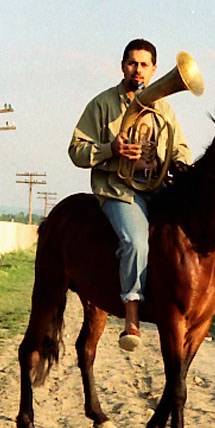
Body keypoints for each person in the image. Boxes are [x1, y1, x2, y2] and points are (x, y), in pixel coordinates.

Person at [68, 39, 192, 351]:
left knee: (188, 235)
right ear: (123, 65)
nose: (138, 70)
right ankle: (132, 316)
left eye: (144, 65)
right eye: (132, 63)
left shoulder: (163, 107)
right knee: (135, 241)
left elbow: (181, 148)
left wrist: (176, 162)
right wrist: (113, 149)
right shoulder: (102, 104)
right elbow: (76, 151)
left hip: (156, 186)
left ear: (154, 70)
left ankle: (189, 309)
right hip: (119, 189)